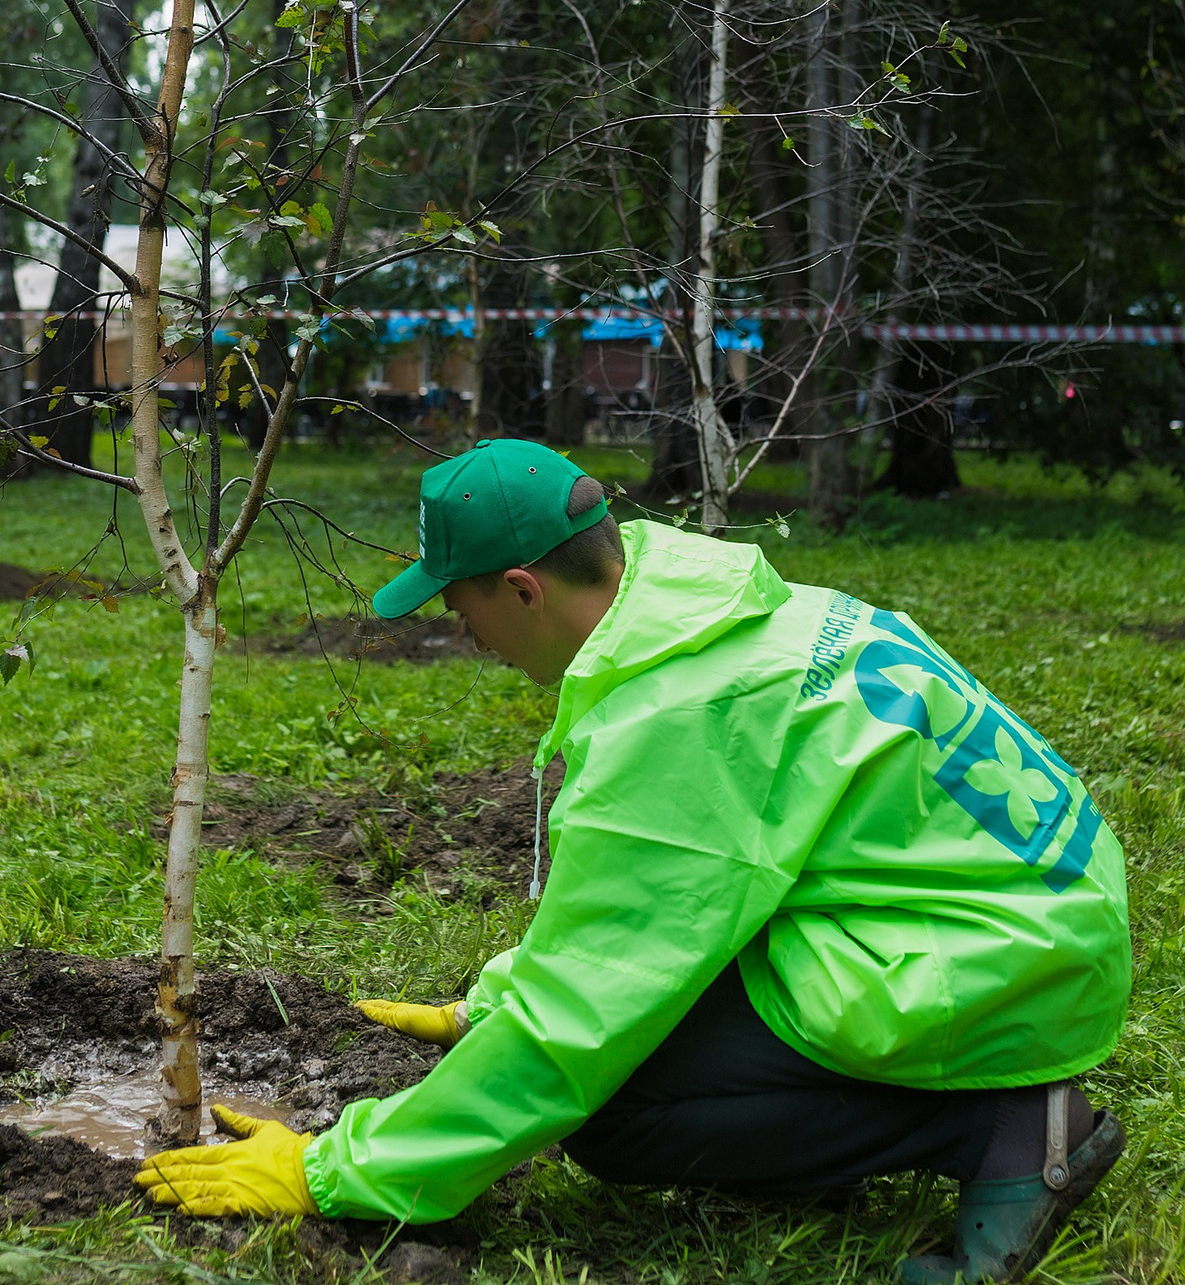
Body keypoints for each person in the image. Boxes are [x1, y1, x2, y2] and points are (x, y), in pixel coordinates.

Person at [137, 439, 1131, 1283]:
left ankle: (1001, 1127)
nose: (463, 633)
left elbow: (583, 1018)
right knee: (654, 1047)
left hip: (997, 964)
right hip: (1016, 916)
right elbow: (655, 915)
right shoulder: (706, 613)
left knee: (617, 1116)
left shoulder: (681, 714)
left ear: (522, 588)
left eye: (459, 605)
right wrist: (491, 1001)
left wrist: (331, 1171)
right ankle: (835, 1137)